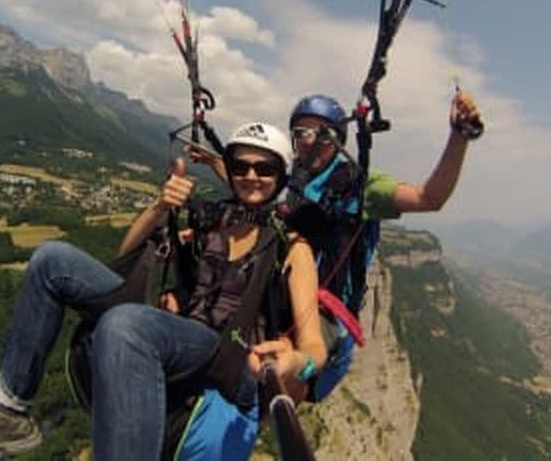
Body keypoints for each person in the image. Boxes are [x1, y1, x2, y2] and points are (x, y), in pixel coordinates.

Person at [0, 122, 326, 461]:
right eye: (241, 166)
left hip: (232, 358)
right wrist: (159, 207)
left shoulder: (291, 248)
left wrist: (296, 362)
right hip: (180, 337)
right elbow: (127, 257)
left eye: (264, 169)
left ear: (280, 176)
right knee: (52, 260)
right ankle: (7, 412)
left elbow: (315, 348)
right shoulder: (214, 224)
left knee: (127, 324)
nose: (251, 176)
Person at [190, 90, 482, 401]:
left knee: (289, 368)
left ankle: (261, 415)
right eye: (301, 132)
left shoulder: (361, 185)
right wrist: (214, 162)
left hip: (324, 306)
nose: (310, 141)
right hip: (282, 283)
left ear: (338, 139)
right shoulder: (294, 176)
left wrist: (459, 137)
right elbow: (255, 186)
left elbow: (429, 198)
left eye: (322, 133)